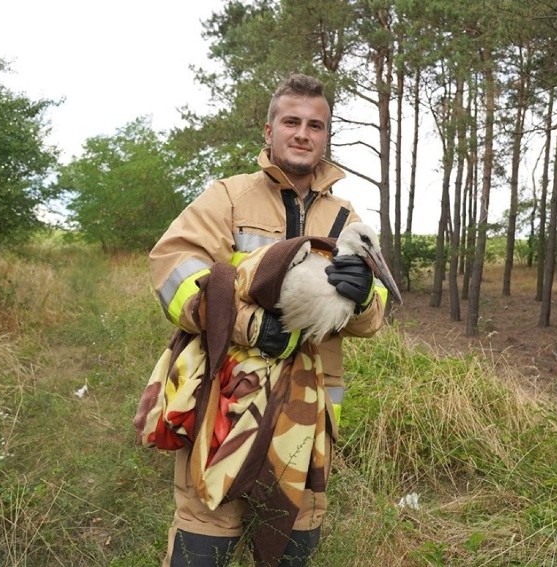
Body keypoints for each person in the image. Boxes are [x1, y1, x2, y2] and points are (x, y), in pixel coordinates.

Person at [149, 73, 392, 567]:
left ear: (326, 136)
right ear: (269, 130)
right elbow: (174, 270)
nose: (303, 133)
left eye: (315, 125)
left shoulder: (346, 219)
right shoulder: (228, 198)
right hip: (226, 407)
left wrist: (364, 297)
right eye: (291, 121)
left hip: (308, 423)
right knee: (204, 539)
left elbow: (373, 317)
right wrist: (249, 326)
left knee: (290, 546)